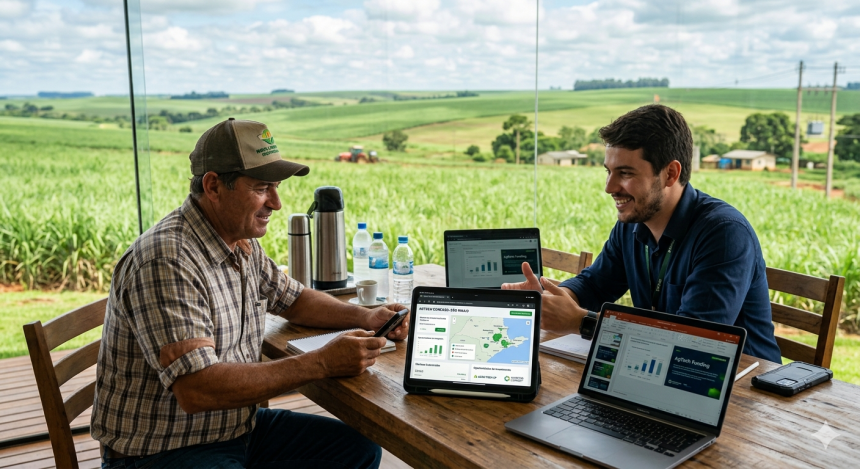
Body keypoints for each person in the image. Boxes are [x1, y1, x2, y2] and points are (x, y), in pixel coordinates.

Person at [91, 118, 408, 468]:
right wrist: (321, 362)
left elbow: (294, 299)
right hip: (163, 451)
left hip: (234, 429)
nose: (276, 203)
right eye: (262, 188)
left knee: (359, 450)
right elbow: (197, 389)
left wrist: (365, 316)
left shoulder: (237, 239)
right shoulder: (168, 259)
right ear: (213, 186)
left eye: (275, 187)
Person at [503, 104, 781, 362]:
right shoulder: (631, 223)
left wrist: (580, 322)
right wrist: (554, 298)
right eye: (608, 171)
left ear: (670, 173)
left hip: (743, 389)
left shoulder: (724, 234)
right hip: (662, 373)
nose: (609, 187)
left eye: (625, 173)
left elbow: (694, 340)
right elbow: (596, 285)